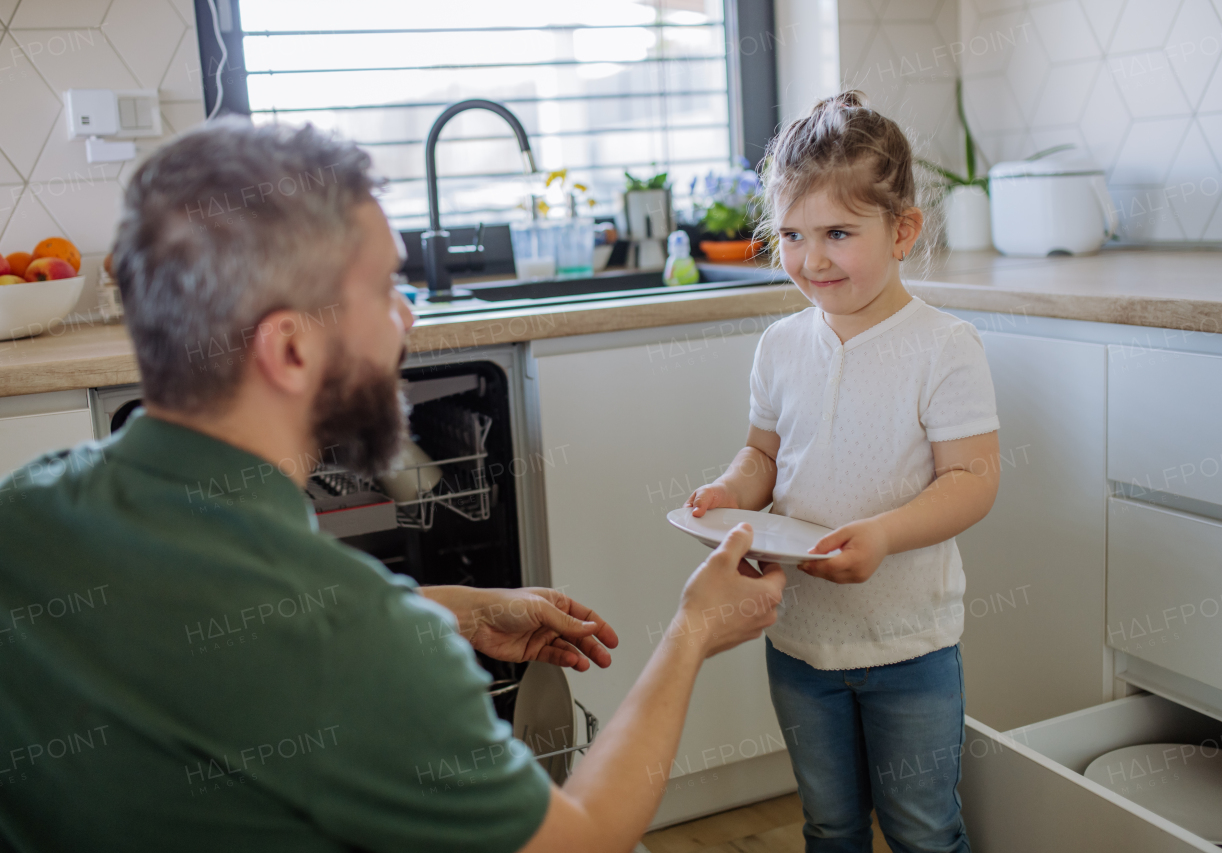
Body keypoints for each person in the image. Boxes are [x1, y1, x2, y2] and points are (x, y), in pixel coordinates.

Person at [0, 119, 787, 853]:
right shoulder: (360, 647)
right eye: (385, 290)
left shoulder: (25, 509)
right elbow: (575, 838)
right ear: (290, 348)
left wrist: (449, 605)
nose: (405, 319)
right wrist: (691, 634)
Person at [686, 90, 1002, 853]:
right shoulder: (781, 347)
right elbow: (763, 454)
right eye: (792, 234)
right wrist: (731, 493)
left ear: (903, 231)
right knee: (829, 825)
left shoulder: (943, 346)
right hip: (799, 640)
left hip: (910, 644)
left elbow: (973, 477)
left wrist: (884, 536)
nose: (812, 258)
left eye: (837, 232)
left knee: (923, 827)